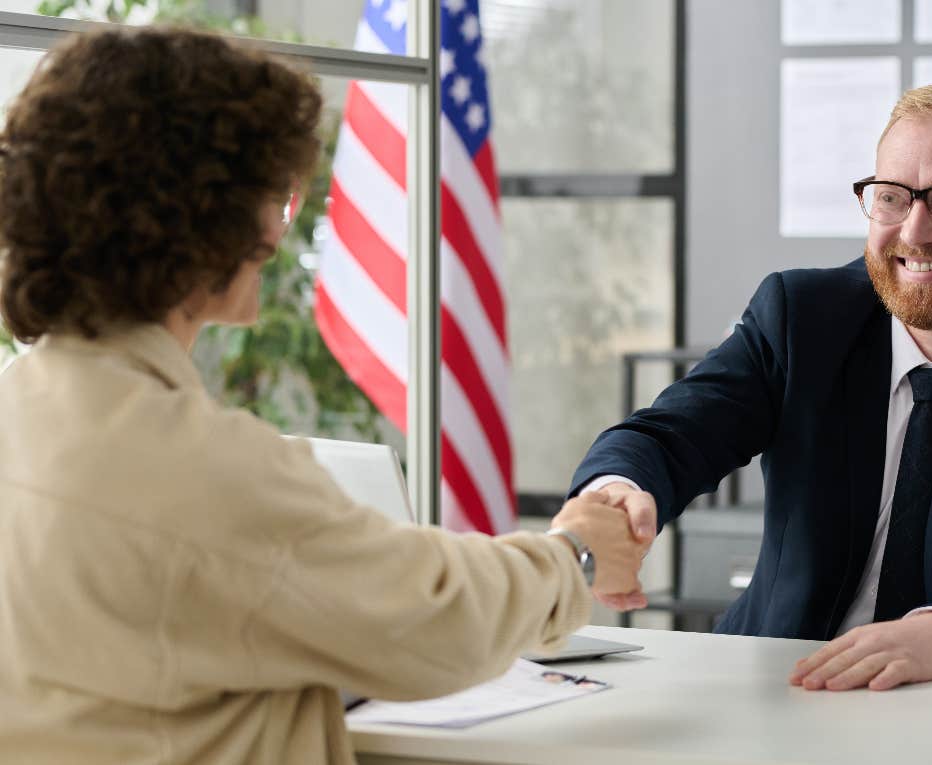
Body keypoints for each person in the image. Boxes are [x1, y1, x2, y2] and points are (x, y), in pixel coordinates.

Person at [0, 26, 645, 765]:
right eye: (269, 191)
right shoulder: (194, 466)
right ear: (201, 219)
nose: (281, 222)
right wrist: (576, 556)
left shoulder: (20, 407)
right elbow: (437, 620)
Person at [570, 82, 932, 692]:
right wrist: (620, 492)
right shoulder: (801, 316)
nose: (915, 232)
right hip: (776, 685)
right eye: (892, 198)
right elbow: (671, 436)